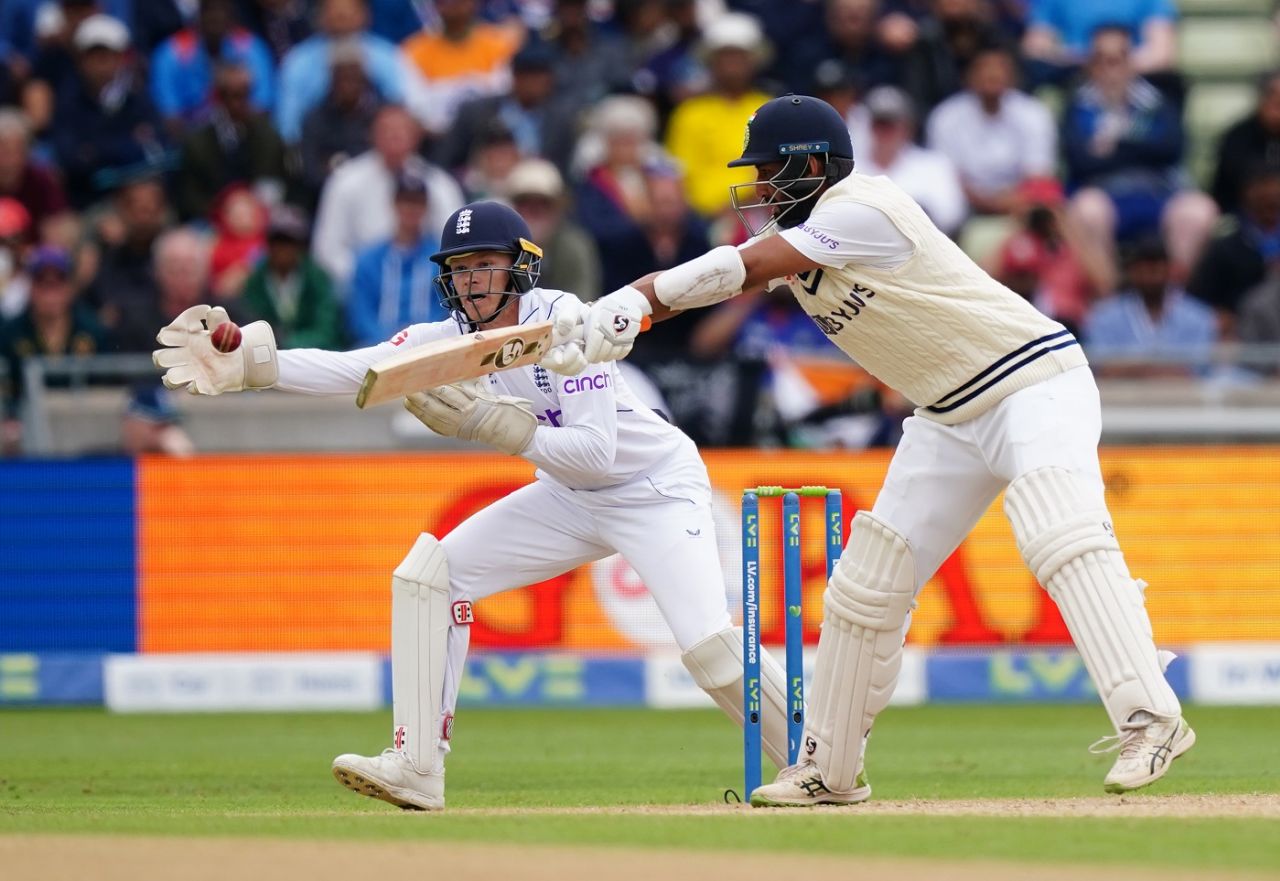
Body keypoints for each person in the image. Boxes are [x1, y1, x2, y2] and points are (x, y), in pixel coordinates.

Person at [546, 94, 1193, 804]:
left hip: (1032, 381)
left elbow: (739, 267)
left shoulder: (863, 208)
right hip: (946, 414)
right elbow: (718, 279)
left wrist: (633, 302)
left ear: (813, 167)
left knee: (1056, 530)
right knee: (865, 589)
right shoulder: (802, 235)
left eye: (768, 172)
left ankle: (1151, 717)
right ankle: (828, 769)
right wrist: (608, 315)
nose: (759, 189)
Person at [151, 200, 793, 810]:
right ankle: (417, 766)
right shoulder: (449, 338)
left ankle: (817, 761)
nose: (470, 281)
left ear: (520, 266)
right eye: (459, 269)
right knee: (431, 577)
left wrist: (503, 430)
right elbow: (360, 370)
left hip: (653, 487)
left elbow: (598, 454)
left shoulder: (566, 321)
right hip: (569, 496)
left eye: (484, 264)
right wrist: (254, 367)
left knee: (708, 647)